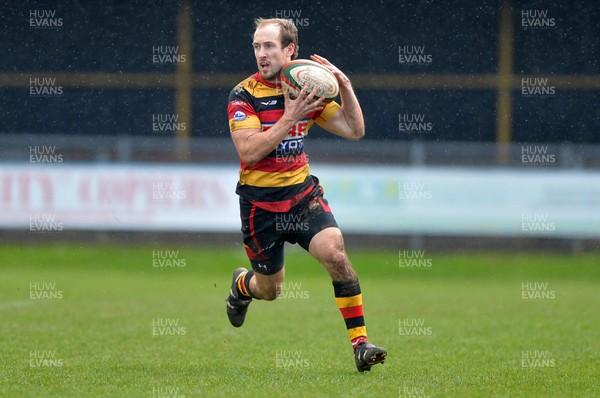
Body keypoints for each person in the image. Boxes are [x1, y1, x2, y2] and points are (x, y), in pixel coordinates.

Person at [225, 17, 387, 372]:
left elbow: (355, 130)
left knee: (336, 253)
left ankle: (361, 345)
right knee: (270, 290)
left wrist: (343, 85)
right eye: (256, 47)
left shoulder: (308, 88)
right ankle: (241, 286)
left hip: (301, 197)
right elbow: (249, 151)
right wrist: (289, 116)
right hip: (259, 206)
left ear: (289, 50)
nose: (261, 54)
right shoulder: (243, 95)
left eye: (269, 46)